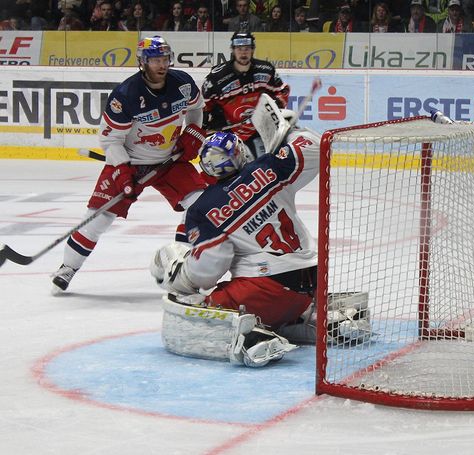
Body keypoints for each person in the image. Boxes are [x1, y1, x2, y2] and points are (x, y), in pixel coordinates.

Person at [150, 99, 371, 366]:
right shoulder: (269, 168)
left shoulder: (203, 208)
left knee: (197, 306)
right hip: (312, 282)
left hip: (264, 290)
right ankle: (317, 318)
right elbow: (314, 147)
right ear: (241, 152)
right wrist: (291, 130)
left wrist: (181, 277)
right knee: (282, 305)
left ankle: (254, 337)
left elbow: (210, 268)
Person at [51, 36, 207, 293]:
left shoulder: (183, 82)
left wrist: (193, 132)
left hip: (171, 161)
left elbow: (196, 109)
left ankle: (185, 265)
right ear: (143, 62)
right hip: (131, 163)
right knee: (97, 220)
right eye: (156, 59)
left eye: (165, 58)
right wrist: (122, 171)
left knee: (201, 205)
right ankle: (68, 267)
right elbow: (110, 140)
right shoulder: (125, 95)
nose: (162, 64)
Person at [201, 31, 290, 155]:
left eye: (247, 48)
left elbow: (282, 90)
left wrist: (275, 104)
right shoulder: (217, 77)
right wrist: (206, 123)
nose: (243, 52)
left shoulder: (266, 70)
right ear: (232, 50)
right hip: (229, 134)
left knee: (264, 165)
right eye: (239, 48)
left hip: (259, 132)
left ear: (253, 50)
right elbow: (203, 104)